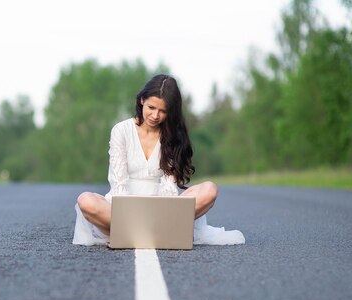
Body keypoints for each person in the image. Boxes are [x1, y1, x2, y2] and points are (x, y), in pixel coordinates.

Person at [73, 73, 245, 246]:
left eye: (163, 111)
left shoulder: (172, 135)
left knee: (210, 189)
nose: (155, 115)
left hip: (162, 209)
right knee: (85, 200)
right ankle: (140, 232)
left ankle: (140, 233)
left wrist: (159, 214)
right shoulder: (121, 130)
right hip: (123, 208)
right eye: (151, 107)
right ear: (142, 101)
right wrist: (128, 214)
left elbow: (169, 188)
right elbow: (119, 185)